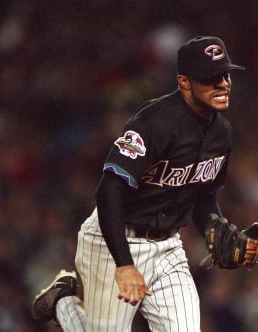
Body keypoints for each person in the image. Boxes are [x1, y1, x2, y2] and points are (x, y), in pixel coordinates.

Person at [32, 35, 246, 331]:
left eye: (225, 74)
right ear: (184, 82)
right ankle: (64, 303)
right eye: (211, 78)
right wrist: (124, 263)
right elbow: (109, 191)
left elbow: (204, 195)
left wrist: (217, 230)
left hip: (169, 247)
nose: (222, 83)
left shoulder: (222, 134)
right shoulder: (155, 123)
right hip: (115, 240)